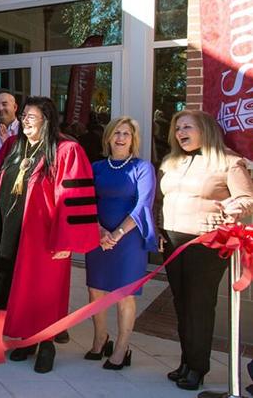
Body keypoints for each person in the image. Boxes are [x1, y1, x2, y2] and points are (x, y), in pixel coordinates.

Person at [0, 96, 99, 374]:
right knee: (13, 287)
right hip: (9, 231)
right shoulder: (12, 146)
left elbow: (72, 196)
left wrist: (67, 241)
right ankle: (26, 340)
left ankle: (47, 345)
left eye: (31, 117)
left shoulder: (66, 150)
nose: (25, 122)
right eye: (24, 118)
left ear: (47, 120)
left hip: (44, 238)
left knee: (43, 292)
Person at [158, 110, 253, 391]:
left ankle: (198, 367)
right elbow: (163, 198)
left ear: (206, 129)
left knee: (198, 306)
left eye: (187, 126)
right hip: (173, 239)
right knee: (181, 303)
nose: (180, 132)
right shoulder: (171, 161)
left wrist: (235, 207)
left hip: (207, 242)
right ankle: (186, 361)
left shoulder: (229, 161)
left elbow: (246, 198)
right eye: (177, 128)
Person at [83, 117, 156, 370]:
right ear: (108, 137)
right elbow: (86, 201)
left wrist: (117, 234)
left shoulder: (143, 167)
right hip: (98, 236)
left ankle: (122, 348)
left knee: (124, 294)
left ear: (133, 139)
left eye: (126, 134)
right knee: (96, 289)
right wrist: (100, 230)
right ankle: (100, 339)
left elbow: (142, 205)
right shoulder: (97, 167)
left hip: (128, 240)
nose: (121, 138)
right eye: (116, 133)